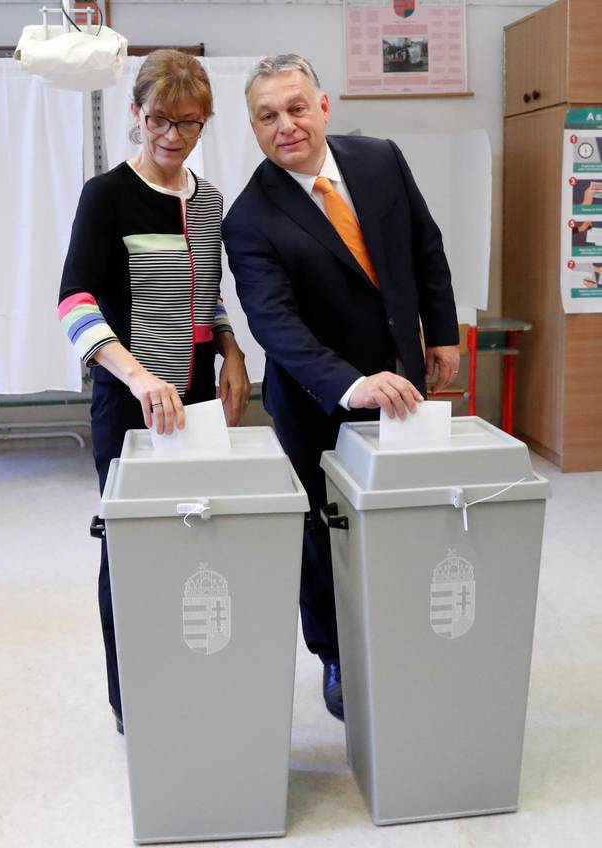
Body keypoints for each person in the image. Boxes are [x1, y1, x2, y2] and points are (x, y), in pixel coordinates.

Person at [222, 54, 459, 721]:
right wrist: (351, 384)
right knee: (324, 538)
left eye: (297, 108)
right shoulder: (249, 217)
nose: (286, 125)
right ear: (253, 127)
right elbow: (276, 325)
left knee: (407, 514)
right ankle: (334, 656)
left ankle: (410, 633)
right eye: (267, 116)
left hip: (403, 385)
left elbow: (424, 246)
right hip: (315, 402)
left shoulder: (380, 158)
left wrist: (439, 332)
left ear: (324, 106)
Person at [59, 50, 250, 733]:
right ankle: (131, 700)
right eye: (161, 120)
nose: (173, 136)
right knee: (132, 546)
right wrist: (139, 376)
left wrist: (231, 350)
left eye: (190, 123)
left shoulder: (209, 201)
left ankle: (190, 670)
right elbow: (75, 303)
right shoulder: (105, 195)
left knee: (198, 537)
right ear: (136, 115)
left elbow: (209, 297)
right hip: (129, 402)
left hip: (198, 400)